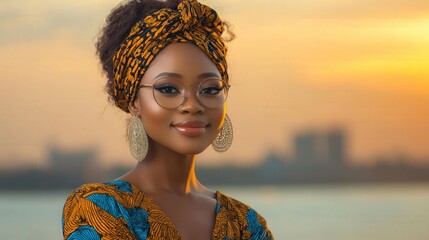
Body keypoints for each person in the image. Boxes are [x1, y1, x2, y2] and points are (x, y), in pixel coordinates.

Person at [61, 0, 274, 239]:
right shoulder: (100, 209)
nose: (193, 105)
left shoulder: (246, 223)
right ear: (134, 101)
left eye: (211, 89)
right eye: (169, 89)